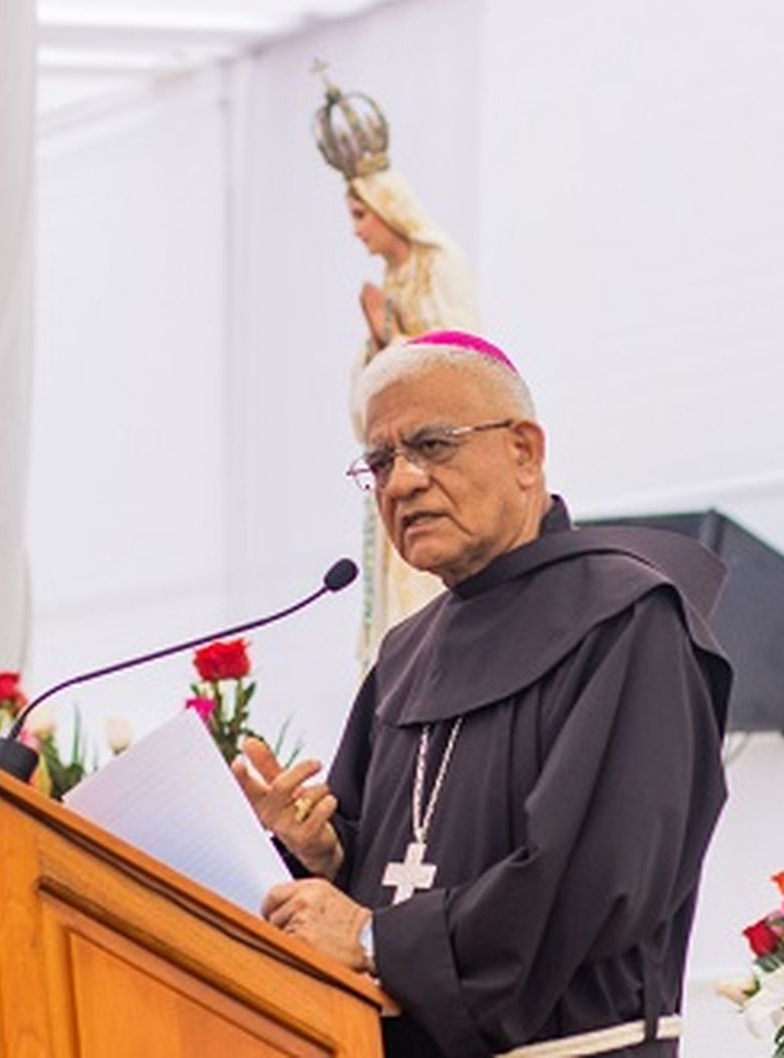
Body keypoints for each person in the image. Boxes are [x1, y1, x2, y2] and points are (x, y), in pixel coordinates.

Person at [235, 330, 733, 1057]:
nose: (401, 483)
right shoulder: (405, 656)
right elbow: (395, 863)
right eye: (380, 461)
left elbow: (594, 882)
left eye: (432, 445)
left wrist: (375, 938)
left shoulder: (629, 621)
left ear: (524, 453)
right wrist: (323, 854)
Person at [313, 70, 483, 668]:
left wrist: (389, 335)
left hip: (439, 461)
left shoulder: (440, 265)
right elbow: (378, 384)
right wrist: (377, 343)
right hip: (397, 461)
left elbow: (461, 363)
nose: (356, 230)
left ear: (390, 209)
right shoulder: (391, 280)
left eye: (361, 214)